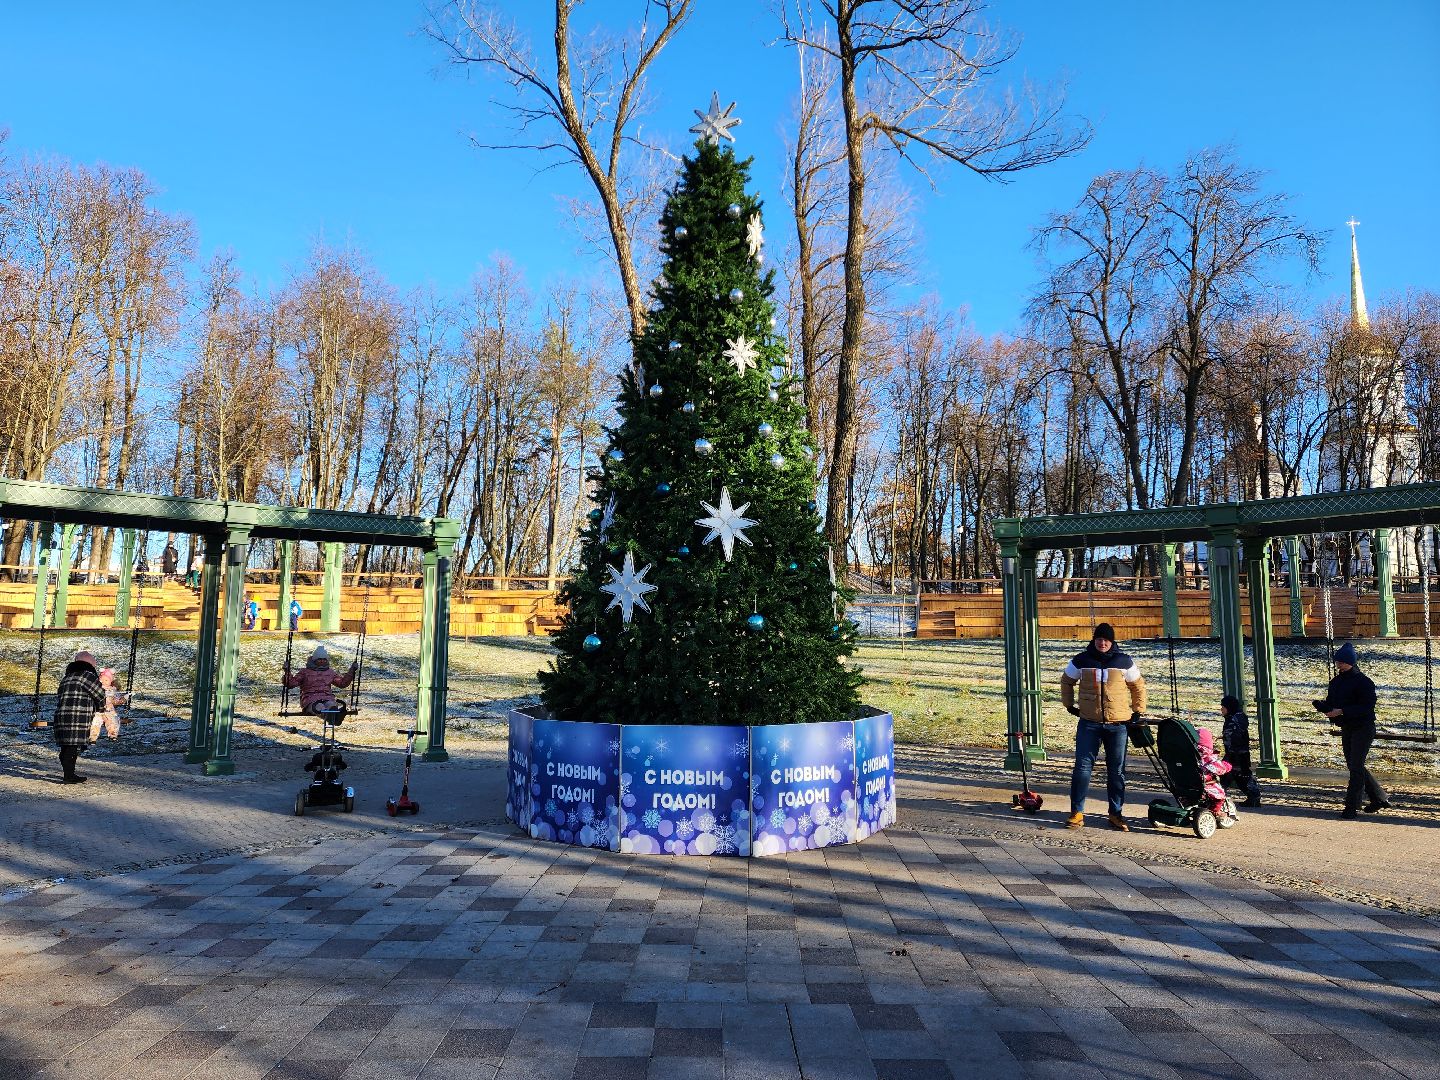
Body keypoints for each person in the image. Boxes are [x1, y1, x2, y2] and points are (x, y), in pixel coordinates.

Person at [1060, 622, 1147, 831]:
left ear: (1112, 641)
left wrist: (1138, 711)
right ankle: (1077, 813)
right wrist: (1069, 705)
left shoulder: (1124, 661)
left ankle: (1115, 814)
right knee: (1082, 768)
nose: (1102, 643)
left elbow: (1138, 686)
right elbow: (1066, 681)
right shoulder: (1081, 660)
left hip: (1118, 725)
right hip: (1089, 723)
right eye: (1099, 639)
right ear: (1094, 640)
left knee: (1116, 771)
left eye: (1106, 640)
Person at [1314, 641, 1391, 819]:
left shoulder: (1364, 682)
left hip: (1363, 727)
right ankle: (1379, 798)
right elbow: (1332, 702)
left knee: (1355, 766)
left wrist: (1341, 711)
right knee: (1354, 765)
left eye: (1340, 661)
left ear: (1349, 661)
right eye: (1337, 661)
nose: (1337, 664)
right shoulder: (1336, 682)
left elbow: (1367, 706)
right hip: (1347, 726)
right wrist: (1324, 707)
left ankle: (1351, 806)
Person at [53, 650, 106, 784]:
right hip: (78, 717)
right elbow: (99, 694)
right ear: (90, 664)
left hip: (62, 715)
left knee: (68, 745)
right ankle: (69, 776)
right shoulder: (87, 676)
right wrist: (101, 708)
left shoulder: (67, 677)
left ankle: (69, 772)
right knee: (72, 747)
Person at [282, 645, 357, 718]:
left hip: (327, 698)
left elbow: (342, 683)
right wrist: (287, 671)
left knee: (331, 705)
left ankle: (333, 715)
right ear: (315, 660)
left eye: (324, 659)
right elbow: (291, 684)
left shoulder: (330, 672)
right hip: (310, 700)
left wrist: (352, 671)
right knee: (319, 707)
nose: (322, 661)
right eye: (319, 659)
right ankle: (331, 717)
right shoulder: (305, 672)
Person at [1220, 695, 1262, 807]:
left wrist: (1231, 750)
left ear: (1229, 707)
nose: (1221, 709)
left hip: (1235, 754)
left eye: (1223, 707)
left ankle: (1218, 798)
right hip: (1241, 753)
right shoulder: (1237, 718)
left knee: (1226, 775)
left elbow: (1233, 738)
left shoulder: (1233, 720)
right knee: (1242, 776)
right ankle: (1254, 797)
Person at [1195, 727, 1236, 823]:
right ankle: (1216, 811)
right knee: (1219, 795)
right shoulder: (1206, 757)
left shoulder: (1189, 755)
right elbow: (1218, 768)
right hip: (1205, 782)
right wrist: (1227, 766)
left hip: (1186, 782)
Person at [89, 668, 129, 744]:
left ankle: (113, 735)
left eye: (106, 680)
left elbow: (116, 701)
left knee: (113, 722)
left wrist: (125, 698)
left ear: (111, 681)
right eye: (101, 680)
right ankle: (92, 738)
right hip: (97, 710)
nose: (103, 682)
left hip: (109, 710)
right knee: (94, 723)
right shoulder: (95, 689)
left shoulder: (113, 690)